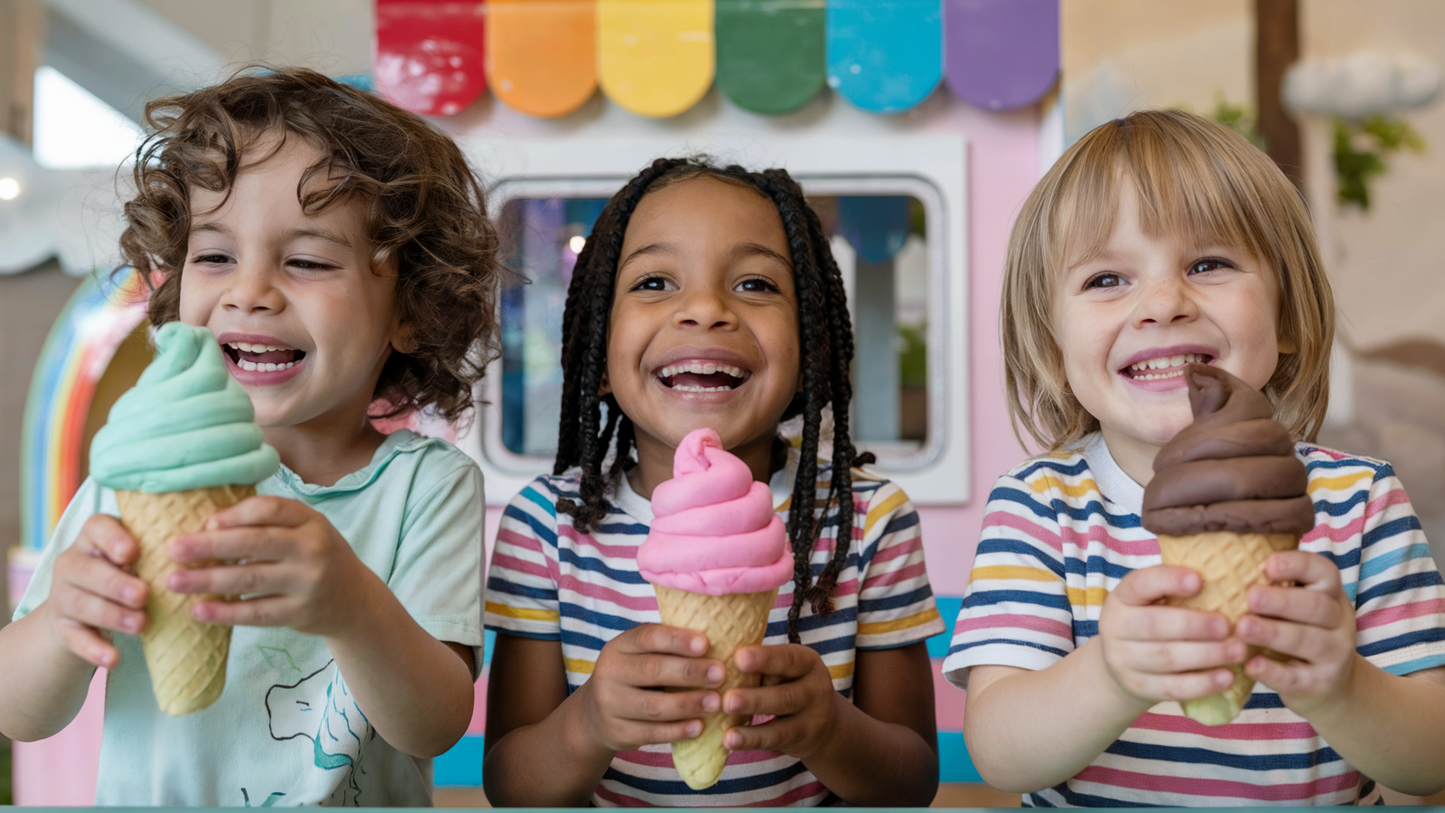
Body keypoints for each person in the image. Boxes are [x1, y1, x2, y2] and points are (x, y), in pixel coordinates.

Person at [0, 68, 498, 806]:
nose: (250, 291)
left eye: (306, 261)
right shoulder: (141, 471)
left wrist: (351, 606)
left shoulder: (426, 485)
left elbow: (432, 725)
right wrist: (60, 621)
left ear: (411, 310)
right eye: (215, 256)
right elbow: (21, 712)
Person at [944, 108, 1445, 806]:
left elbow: (1428, 763)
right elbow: (1000, 752)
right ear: (1051, 346)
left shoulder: (1358, 500)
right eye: (1105, 279)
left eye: (1207, 263)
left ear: (1289, 316)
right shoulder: (1039, 507)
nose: (1162, 303)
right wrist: (1110, 673)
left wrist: (1342, 686)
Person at [482, 158, 945, 806]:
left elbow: (911, 781)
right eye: (653, 281)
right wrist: (588, 722)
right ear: (598, 350)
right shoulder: (545, 525)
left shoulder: (868, 519)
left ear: (811, 347)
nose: (704, 309)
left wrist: (829, 728)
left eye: (755, 282)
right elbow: (510, 785)